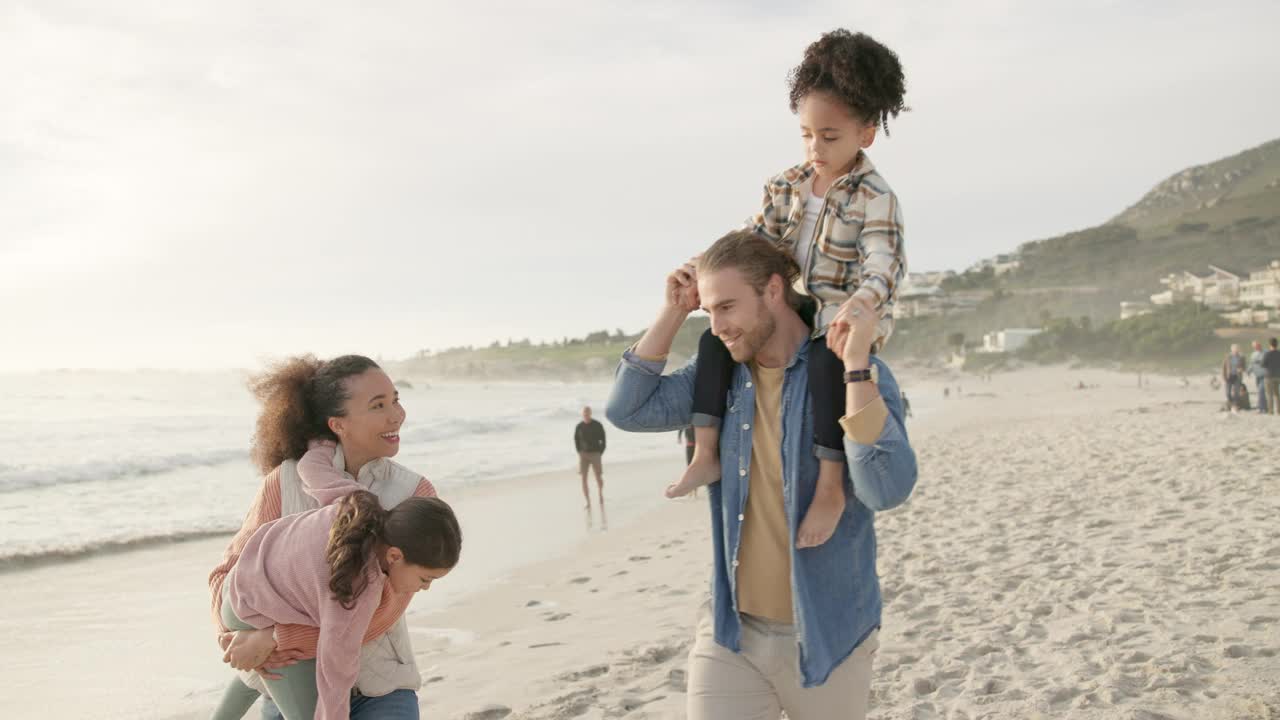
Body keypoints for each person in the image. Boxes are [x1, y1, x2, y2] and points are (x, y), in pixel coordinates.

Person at [607, 231, 917, 719]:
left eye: (727, 307)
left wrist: (856, 370)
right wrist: (672, 311)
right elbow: (627, 409)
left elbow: (886, 489)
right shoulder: (719, 376)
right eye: (708, 311)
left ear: (773, 290)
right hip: (731, 635)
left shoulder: (855, 373)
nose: (717, 325)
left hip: (828, 635)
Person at [672, 30, 909, 553]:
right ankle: (704, 450)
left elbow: (884, 265)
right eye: (806, 135)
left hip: (846, 315)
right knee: (715, 339)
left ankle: (830, 487)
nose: (814, 148)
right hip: (799, 302)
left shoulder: (876, 197)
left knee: (828, 362)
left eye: (829, 137)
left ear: (866, 134)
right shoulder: (787, 184)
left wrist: (861, 306)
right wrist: (697, 269)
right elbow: (748, 241)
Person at [208, 355, 442, 720]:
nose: (396, 414)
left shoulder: (415, 494)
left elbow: (386, 607)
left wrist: (275, 640)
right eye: (378, 405)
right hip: (287, 682)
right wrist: (231, 636)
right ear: (338, 424)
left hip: (380, 685)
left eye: (395, 399)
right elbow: (229, 573)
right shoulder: (285, 480)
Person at [573, 406, 606, 507]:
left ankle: (600, 494)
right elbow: (576, 440)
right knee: (583, 478)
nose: (586, 415)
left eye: (588, 413)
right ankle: (588, 502)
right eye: (584, 413)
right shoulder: (579, 426)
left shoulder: (597, 425)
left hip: (595, 454)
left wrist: (600, 452)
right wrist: (579, 451)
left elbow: (603, 439)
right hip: (583, 455)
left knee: (598, 477)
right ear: (583, 414)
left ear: (590, 413)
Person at [1222, 344, 1246, 413]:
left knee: (1236, 393)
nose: (1236, 351)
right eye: (1235, 350)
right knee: (1227, 393)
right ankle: (1232, 404)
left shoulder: (1242, 357)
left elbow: (1244, 367)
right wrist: (1224, 376)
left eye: (1237, 349)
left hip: (1237, 377)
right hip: (1229, 376)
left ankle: (1235, 407)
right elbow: (1224, 367)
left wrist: (1242, 369)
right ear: (1231, 350)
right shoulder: (1227, 356)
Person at [1248, 340, 1268, 413]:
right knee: (1260, 392)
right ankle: (1264, 408)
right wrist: (1248, 371)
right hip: (1257, 376)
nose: (1255, 348)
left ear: (1260, 345)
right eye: (1254, 347)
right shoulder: (1253, 354)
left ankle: (1261, 408)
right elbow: (1251, 364)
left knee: (1261, 391)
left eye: (1256, 346)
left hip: (1265, 375)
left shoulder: (1266, 352)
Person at [1263, 338, 1280, 416]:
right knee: (1277, 394)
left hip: (1269, 376)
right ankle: (1279, 410)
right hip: (1277, 375)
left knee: (1269, 394)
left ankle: (1271, 410)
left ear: (1270, 345)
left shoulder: (1267, 354)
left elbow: (1263, 364)